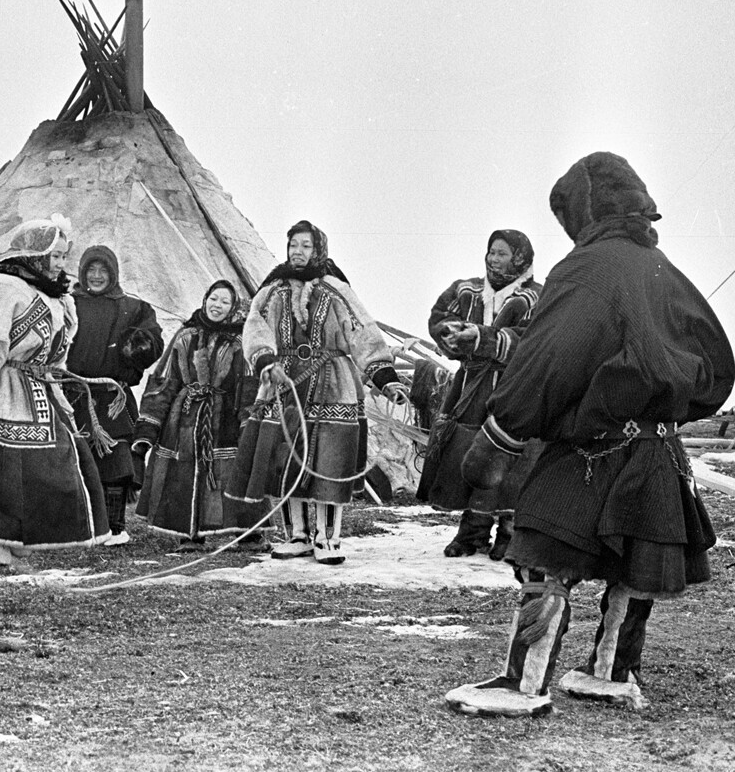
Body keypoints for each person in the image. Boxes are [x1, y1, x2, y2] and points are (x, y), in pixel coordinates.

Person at [446, 152, 734, 717]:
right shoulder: (664, 270)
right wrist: (667, 406)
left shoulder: (587, 268)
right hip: (658, 450)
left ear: (586, 209)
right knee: (633, 564)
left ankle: (524, 684)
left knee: (542, 559)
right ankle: (609, 671)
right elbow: (717, 362)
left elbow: (550, 359)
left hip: (591, 448)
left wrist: (505, 428)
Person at [225, 220, 408, 565]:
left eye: (306, 246)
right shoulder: (272, 290)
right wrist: (266, 360)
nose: (298, 252)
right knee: (286, 460)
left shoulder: (336, 289)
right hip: (284, 382)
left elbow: (361, 331)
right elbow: (255, 326)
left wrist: (385, 377)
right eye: (293, 244)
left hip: (332, 382)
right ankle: (297, 536)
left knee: (329, 462)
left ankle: (327, 538)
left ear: (318, 249)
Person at [0, 215, 111, 565]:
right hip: (3, 391)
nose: (61, 264)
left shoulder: (52, 295)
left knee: (42, 470)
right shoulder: (1, 289)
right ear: (33, 254)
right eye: (56, 255)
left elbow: (57, 350)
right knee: (0, 468)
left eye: (64, 256)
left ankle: (15, 536)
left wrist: (56, 382)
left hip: (38, 389)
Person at [416, 230, 542, 561]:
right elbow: (438, 317)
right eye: (491, 252)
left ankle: (510, 533)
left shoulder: (535, 297)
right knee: (470, 456)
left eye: (502, 253)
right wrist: (453, 333)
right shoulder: (467, 290)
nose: (493, 259)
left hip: (515, 390)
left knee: (512, 461)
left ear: (519, 258)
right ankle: (472, 533)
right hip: (472, 389)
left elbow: (533, 340)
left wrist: (483, 339)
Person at [133, 280, 264, 551]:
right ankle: (189, 535)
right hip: (184, 417)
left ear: (233, 307)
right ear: (205, 300)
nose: (217, 306)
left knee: (231, 470)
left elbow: (248, 385)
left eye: (225, 302)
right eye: (213, 299)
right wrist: (149, 427)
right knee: (184, 472)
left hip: (225, 415)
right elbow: (165, 380)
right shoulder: (186, 336)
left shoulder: (240, 342)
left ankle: (247, 533)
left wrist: (248, 423)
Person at [66, 244, 164, 546]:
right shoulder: (67, 303)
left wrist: (139, 347)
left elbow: (153, 340)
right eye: (91, 270)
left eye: (103, 271)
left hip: (111, 395)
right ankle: (82, 526)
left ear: (113, 273)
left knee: (115, 460)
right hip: (73, 393)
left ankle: (115, 527)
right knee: (75, 459)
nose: (96, 276)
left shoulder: (131, 307)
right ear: (82, 272)